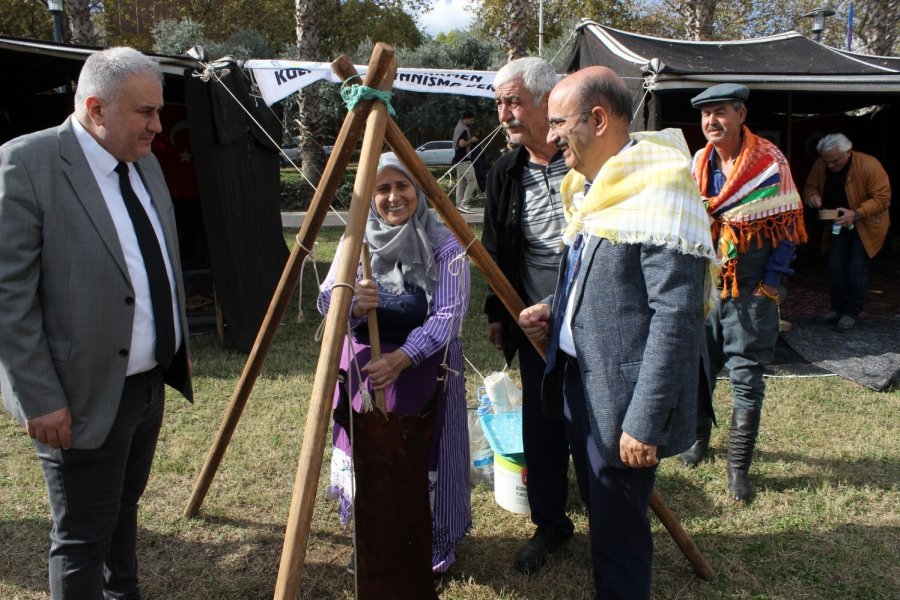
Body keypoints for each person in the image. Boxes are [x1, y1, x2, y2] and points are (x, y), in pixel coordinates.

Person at [0, 47, 193, 598]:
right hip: (77, 393)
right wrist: (39, 397)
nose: (159, 125)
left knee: (123, 513)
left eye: (158, 111)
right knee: (83, 538)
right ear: (96, 108)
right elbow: (7, 296)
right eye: (146, 113)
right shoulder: (27, 164)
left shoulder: (145, 158)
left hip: (146, 384)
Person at [518, 66, 714, 599]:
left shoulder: (660, 190)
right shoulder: (595, 189)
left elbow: (675, 317)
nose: (551, 137)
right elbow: (599, 282)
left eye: (558, 123)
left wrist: (644, 423)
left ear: (598, 119)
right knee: (604, 510)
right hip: (583, 383)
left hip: (624, 401)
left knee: (619, 531)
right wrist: (554, 310)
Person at [317, 157, 471, 577]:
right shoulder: (356, 243)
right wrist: (351, 302)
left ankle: (428, 549)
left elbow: (449, 316)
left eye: (402, 185)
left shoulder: (445, 245)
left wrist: (403, 359)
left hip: (424, 376)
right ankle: (371, 539)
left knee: (420, 459)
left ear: (419, 189)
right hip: (365, 375)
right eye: (382, 189)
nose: (392, 197)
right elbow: (326, 300)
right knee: (370, 457)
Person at [481, 56, 581, 574]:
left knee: (594, 424)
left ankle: (606, 511)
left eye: (513, 101)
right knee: (542, 426)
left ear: (547, 100)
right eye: (499, 103)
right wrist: (499, 311)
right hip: (534, 326)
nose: (504, 114)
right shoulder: (506, 170)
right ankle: (551, 525)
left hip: (590, 323)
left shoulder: (590, 159)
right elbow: (496, 245)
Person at [685, 83, 806, 502]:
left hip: (751, 287)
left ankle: (738, 469)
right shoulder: (699, 162)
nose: (711, 122)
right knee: (699, 369)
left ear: (740, 114)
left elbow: (787, 223)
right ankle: (699, 440)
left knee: (746, 379)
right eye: (705, 115)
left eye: (720, 112)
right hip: (707, 287)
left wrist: (770, 284)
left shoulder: (769, 162)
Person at [803, 133, 891, 331]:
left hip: (865, 223)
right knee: (835, 264)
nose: (831, 165)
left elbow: (883, 199)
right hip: (836, 222)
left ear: (848, 153)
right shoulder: (822, 164)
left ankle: (851, 312)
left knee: (857, 268)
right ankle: (836, 308)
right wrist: (812, 196)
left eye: (835, 161)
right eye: (827, 161)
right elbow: (810, 186)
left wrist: (857, 213)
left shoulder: (869, 165)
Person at [452, 110, 479, 213]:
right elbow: (462, 144)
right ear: (466, 118)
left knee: (461, 183)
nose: (472, 122)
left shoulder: (459, 127)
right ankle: (464, 204)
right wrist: (471, 141)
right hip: (463, 159)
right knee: (472, 181)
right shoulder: (463, 129)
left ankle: (458, 205)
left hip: (458, 159)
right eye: (471, 120)